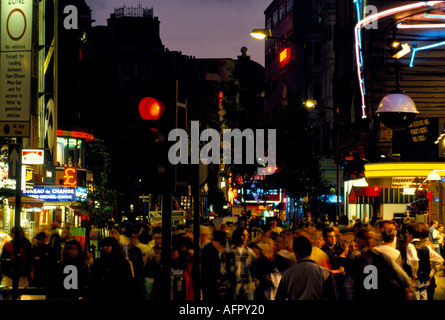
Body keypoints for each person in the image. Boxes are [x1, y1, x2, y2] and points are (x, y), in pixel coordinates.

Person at [344, 228, 413, 300]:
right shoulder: (377, 255)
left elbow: (396, 270)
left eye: (370, 238)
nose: (368, 241)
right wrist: (407, 286)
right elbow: (397, 271)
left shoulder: (375, 256)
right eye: (366, 238)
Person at [275, 236, 337, 300]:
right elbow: (333, 297)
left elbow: (279, 297)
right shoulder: (324, 273)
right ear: (310, 250)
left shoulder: (287, 274)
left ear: (296, 253)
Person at [404, 222, 444, 300]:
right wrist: (431, 273)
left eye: (408, 233)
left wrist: (414, 273)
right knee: (424, 295)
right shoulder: (427, 246)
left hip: (415, 279)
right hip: (425, 278)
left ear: (411, 234)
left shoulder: (410, 246)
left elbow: (414, 260)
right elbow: (440, 260)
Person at [220, 227, 258, 300]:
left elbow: (255, 268)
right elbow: (223, 269)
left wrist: (254, 282)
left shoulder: (250, 252)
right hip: (233, 286)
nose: (245, 237)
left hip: (248, 286)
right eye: (243, 235)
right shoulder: (228, 252)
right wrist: (226, 283)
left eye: (247, 235)